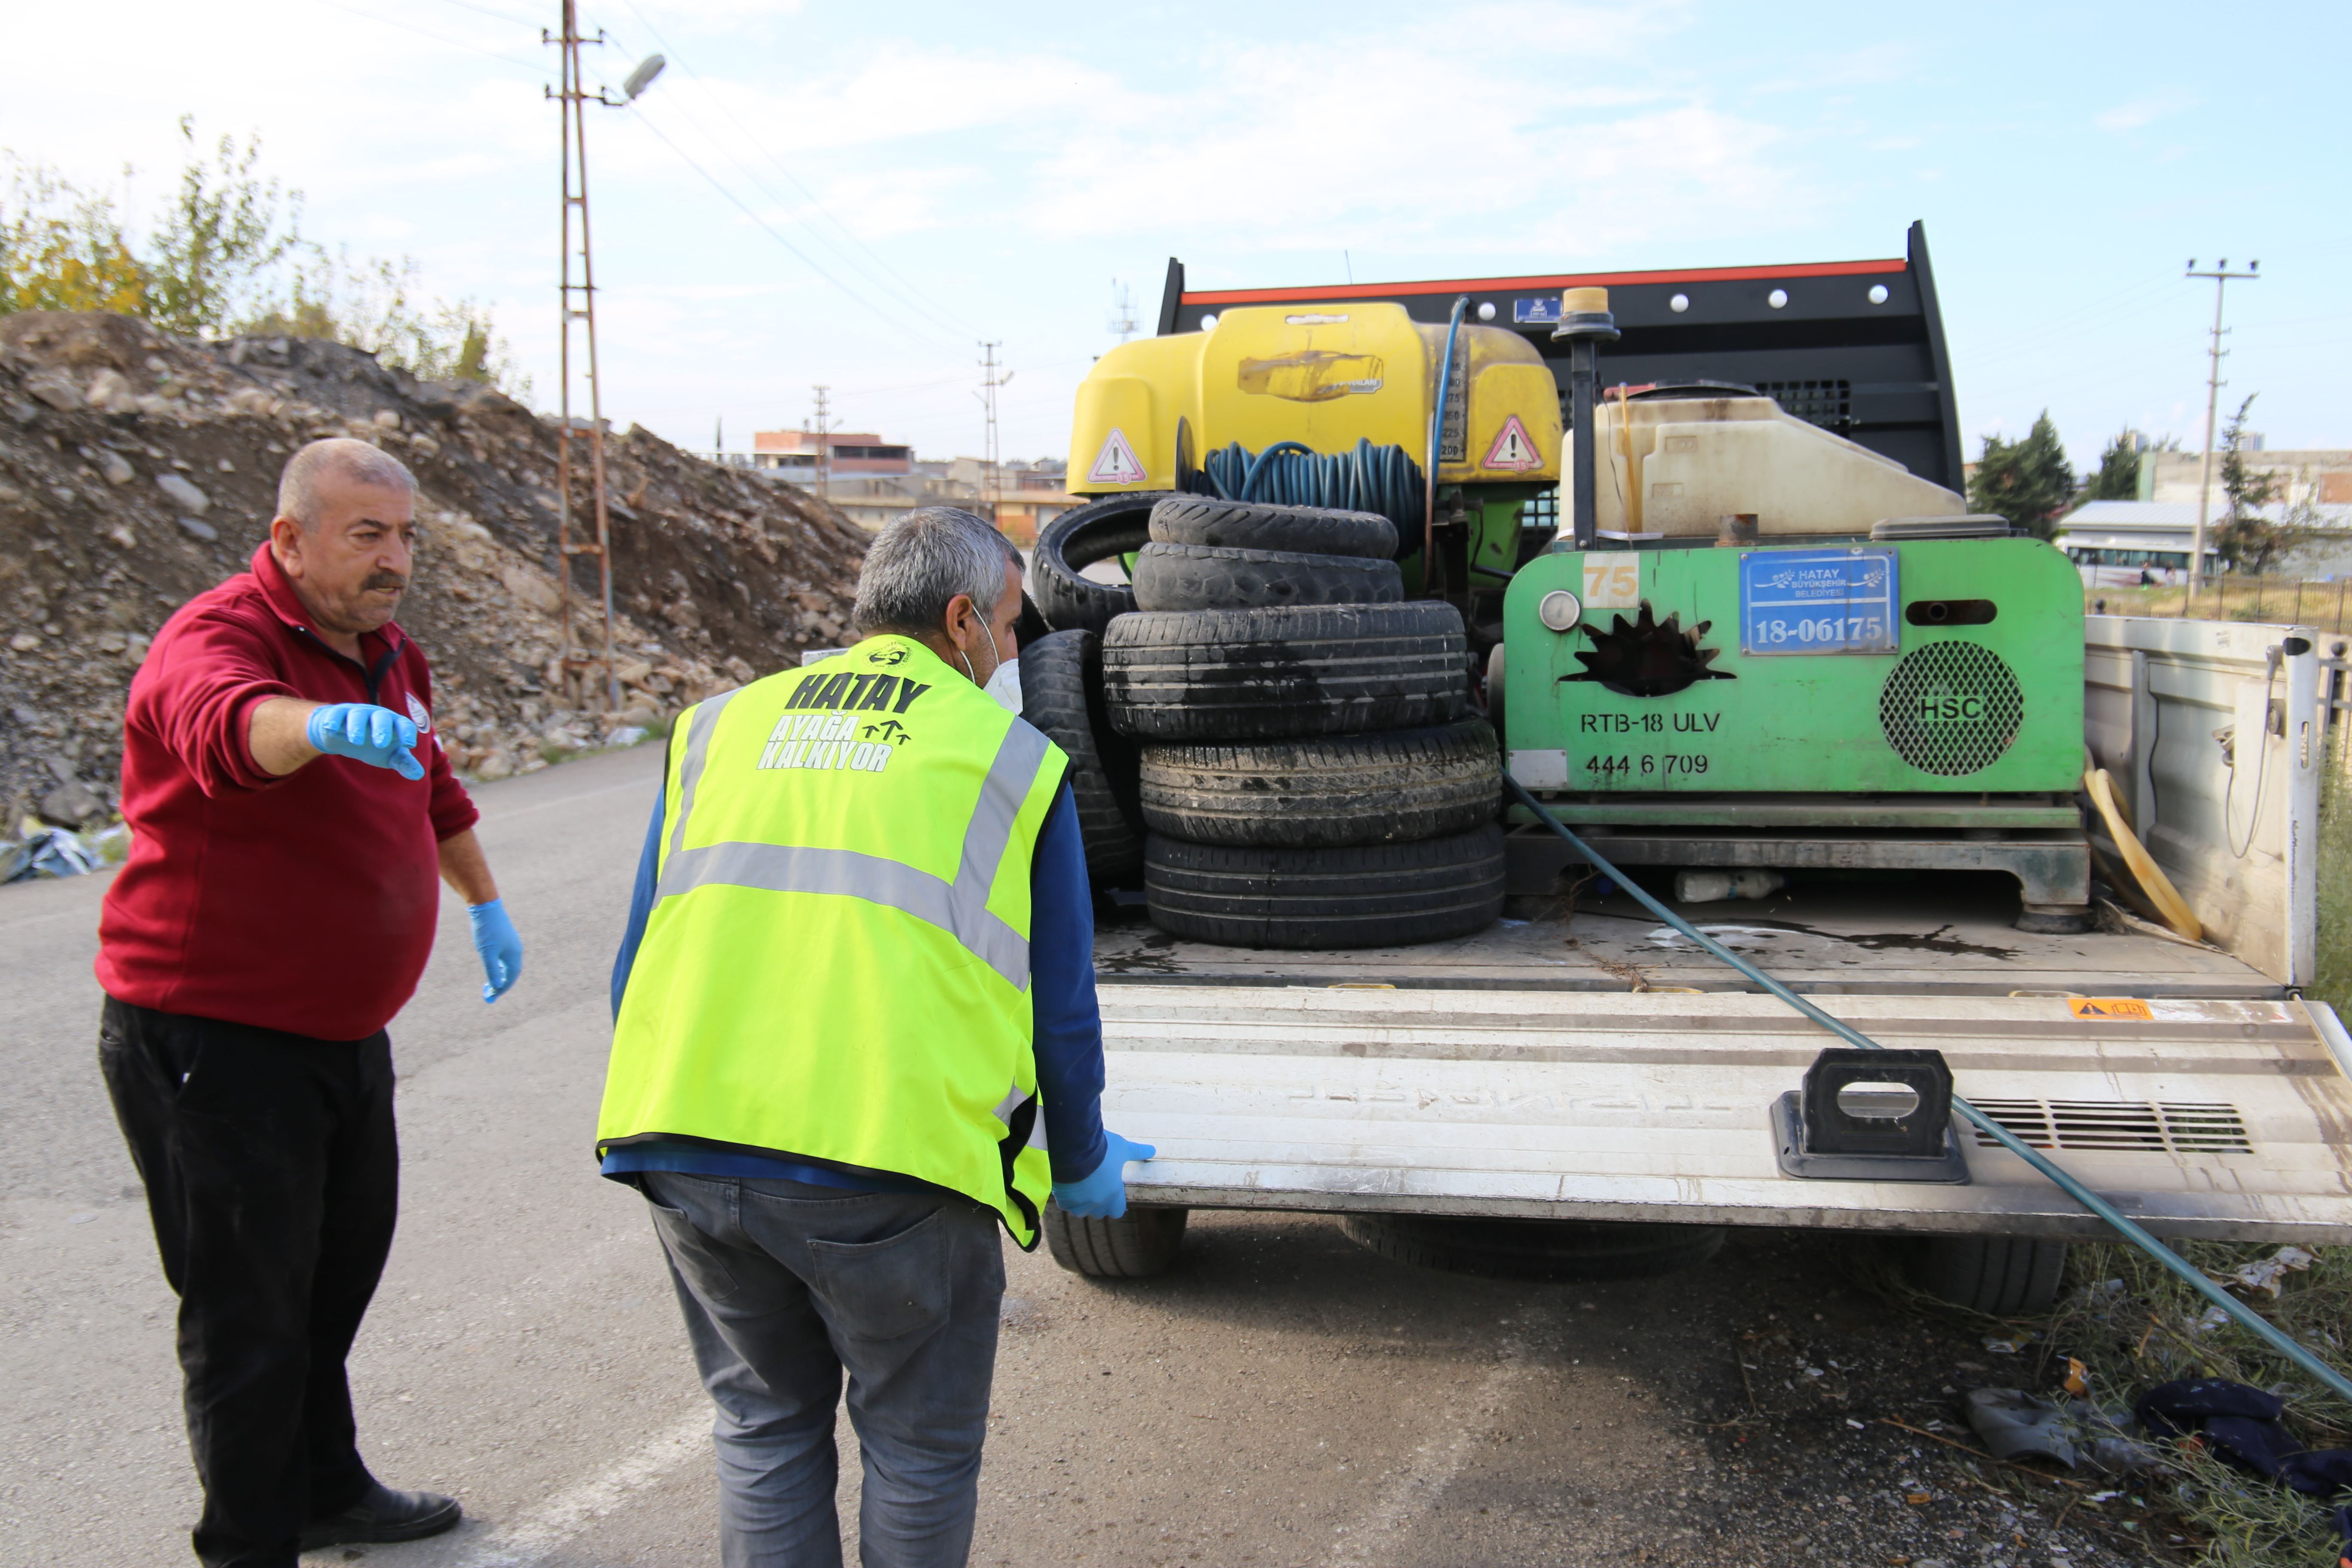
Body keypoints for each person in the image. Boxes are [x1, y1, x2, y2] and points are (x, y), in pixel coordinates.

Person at [600, 505, 1152, 1568]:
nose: (1014, 650)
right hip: (888, 1169)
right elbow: (1059, 1008)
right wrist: (1078, 1161)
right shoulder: (1010, 761)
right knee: (920, 1450)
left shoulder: (718, 726)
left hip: (683, 1146)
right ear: (960, 623)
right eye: (1007, 622)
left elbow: (634, 968)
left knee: (762, 1427)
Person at [97, 438, 523, 1567]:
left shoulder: (391, 654)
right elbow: (229, 725)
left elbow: (433, 793)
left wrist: (484, 903)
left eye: (407, 536)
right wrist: (315, 726)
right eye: (366, 535)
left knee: (334, 1275)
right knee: (248, 1316)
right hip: (216, 1039)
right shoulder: (218, 636)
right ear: (289, 539)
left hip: (340, 1034)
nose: (396, 560)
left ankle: (326, 1486)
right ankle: (249, 1544)